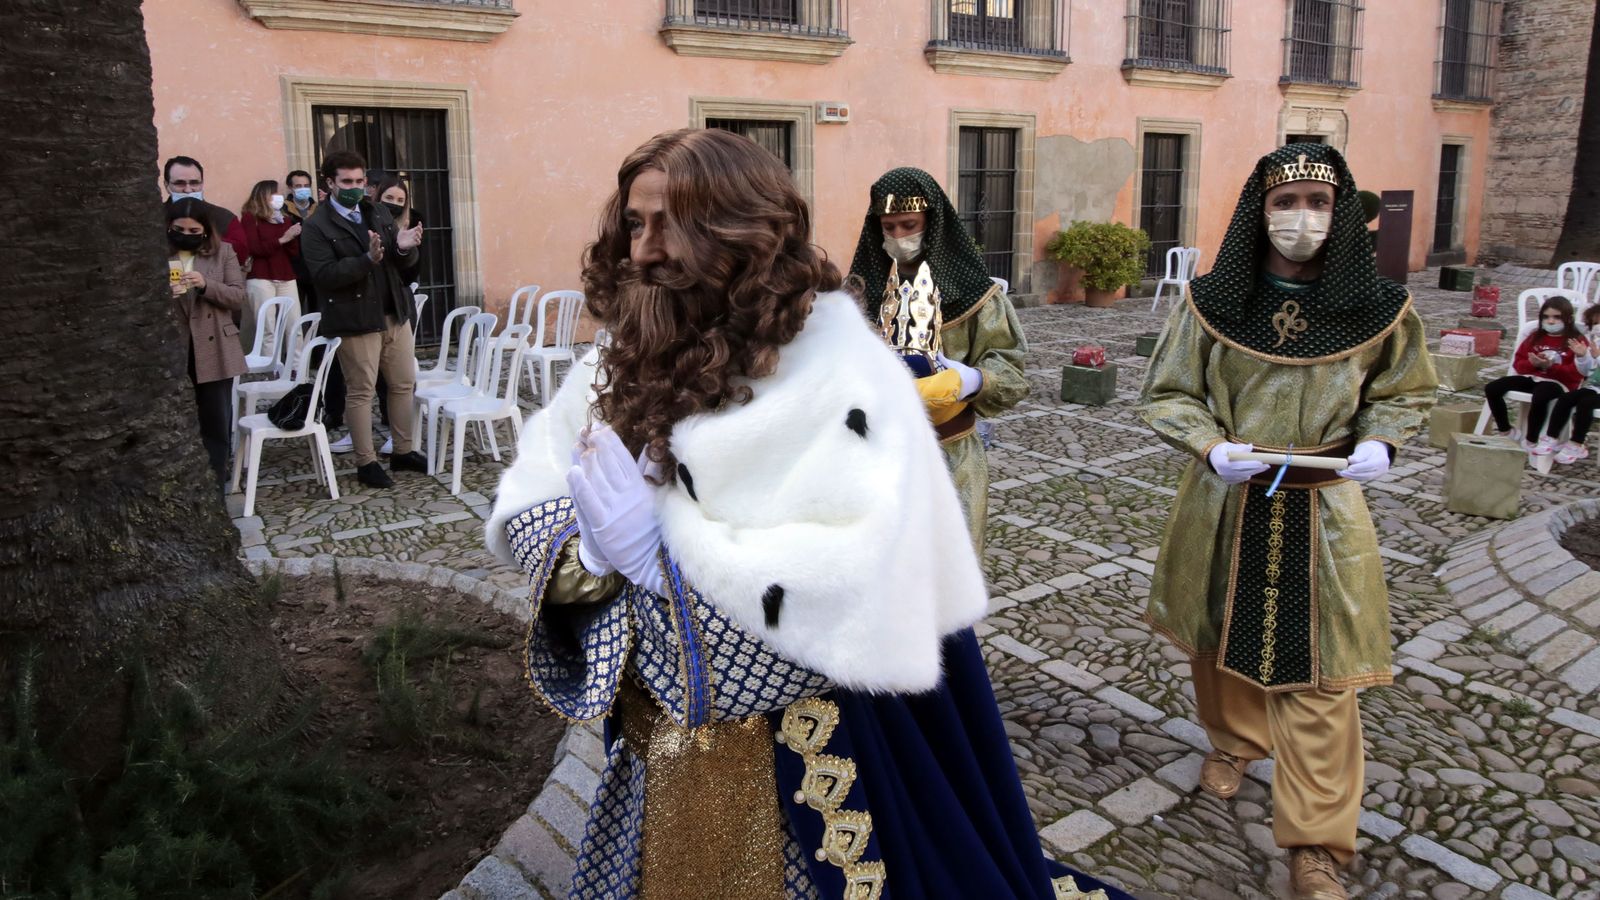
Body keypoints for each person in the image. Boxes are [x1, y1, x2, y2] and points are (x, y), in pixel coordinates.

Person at [486, 129, 1126, 900]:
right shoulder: (615, 359)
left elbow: (854, 592)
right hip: (660, 751)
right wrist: (588, 560)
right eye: (634, 223)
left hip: (814, 755)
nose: (646, 251)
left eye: (673, 225)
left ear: (745, 234)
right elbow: (535, 494)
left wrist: (661, 565)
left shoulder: (841, 375)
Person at [1136, 144, 1437, 900]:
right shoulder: (1211, 303)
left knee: (1323, 678)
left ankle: (1318, 846)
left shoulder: (1381, 309)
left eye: (1318, 204)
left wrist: (1380, 440)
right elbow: (1169, 392)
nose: (1301, 219)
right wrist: (1209, 445)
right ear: (1258, 211)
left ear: (1341, 215)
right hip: (1226, 497)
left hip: (1326, 505)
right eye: (1285, 203)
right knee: (1216, 637)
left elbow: (1405, 392)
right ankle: (1234, 743)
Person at [846, 167, 1028, 551]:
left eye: (908, 224)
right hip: (874, 455)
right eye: (888, 227)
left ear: (932, 222)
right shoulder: (862, 290)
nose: (898, 236)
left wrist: (971, 380)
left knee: (947, 571)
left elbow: (1011, 373)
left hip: (950, 453)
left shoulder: (977, 294)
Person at [299, 149, 427, 488]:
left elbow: (402, 264)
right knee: (362, 391)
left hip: (394, 312)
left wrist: (403, 247)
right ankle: (366, 462)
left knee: (402, 384)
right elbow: (324, 275)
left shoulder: (377, 210)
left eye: (360, 181)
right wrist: (366, 259)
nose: (356, 187)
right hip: (355, 318)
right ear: (330, 182)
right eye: (348, 182)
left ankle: (403, 451)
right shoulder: (316, 226)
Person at [167, 198, 246, 483]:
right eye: (179, 229)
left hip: (214, 347)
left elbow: (237, 296)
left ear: (204, 230)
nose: (185, 235)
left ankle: (216, 478)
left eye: (193, 230)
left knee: (215, 419)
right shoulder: (158, 254)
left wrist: (205, 285)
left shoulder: (223, 252)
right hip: (175, 347)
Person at [1485, 295, 1585, 454]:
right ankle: (1506, 430)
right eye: (1546, 317)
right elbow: (1518, 363)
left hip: (1559, 383)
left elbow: (1577, 374)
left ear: (1568, 318)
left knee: (1541, 395)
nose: (1551, 321)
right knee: (1492, 388)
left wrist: (1551, 368)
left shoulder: (1576, 341)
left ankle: (1531, 439)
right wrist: (1533, 364)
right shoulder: (1535, 336)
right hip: (1532, 377)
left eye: (1557, 317)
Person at [228, 179, 303, 359]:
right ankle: (270, 369)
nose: (280, 197)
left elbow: (293, 252)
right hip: (261, 276)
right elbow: (254, 248)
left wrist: (293, 236)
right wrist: (283, 239)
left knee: (294, 326)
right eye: (275, 193)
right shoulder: (250, 218)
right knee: (267, 328)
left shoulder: (284, 218)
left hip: (285, 275)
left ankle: (296, 370)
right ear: (264, 195)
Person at [162, 155, 236, 234]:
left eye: (194, 183)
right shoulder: (152, 217)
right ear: (166, 186)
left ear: (202, 184)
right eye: (180, 183)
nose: (188, 190)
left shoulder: (225, 218)